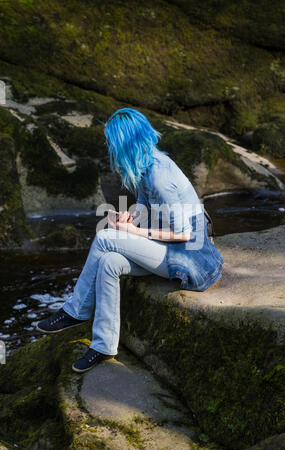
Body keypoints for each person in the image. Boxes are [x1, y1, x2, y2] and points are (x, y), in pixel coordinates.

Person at [36, 108, 224, 373]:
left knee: (104, 238)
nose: (109, 148)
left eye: (112, 142)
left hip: (189, 257)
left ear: (125, 143)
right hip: (172, 249)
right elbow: (146, 207)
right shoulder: (148, 165)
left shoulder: (161, 175)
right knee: (110, 262)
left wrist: (135, 232)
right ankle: (103, 346)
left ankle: (75, 311)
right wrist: (130, 216)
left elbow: (184, 233)